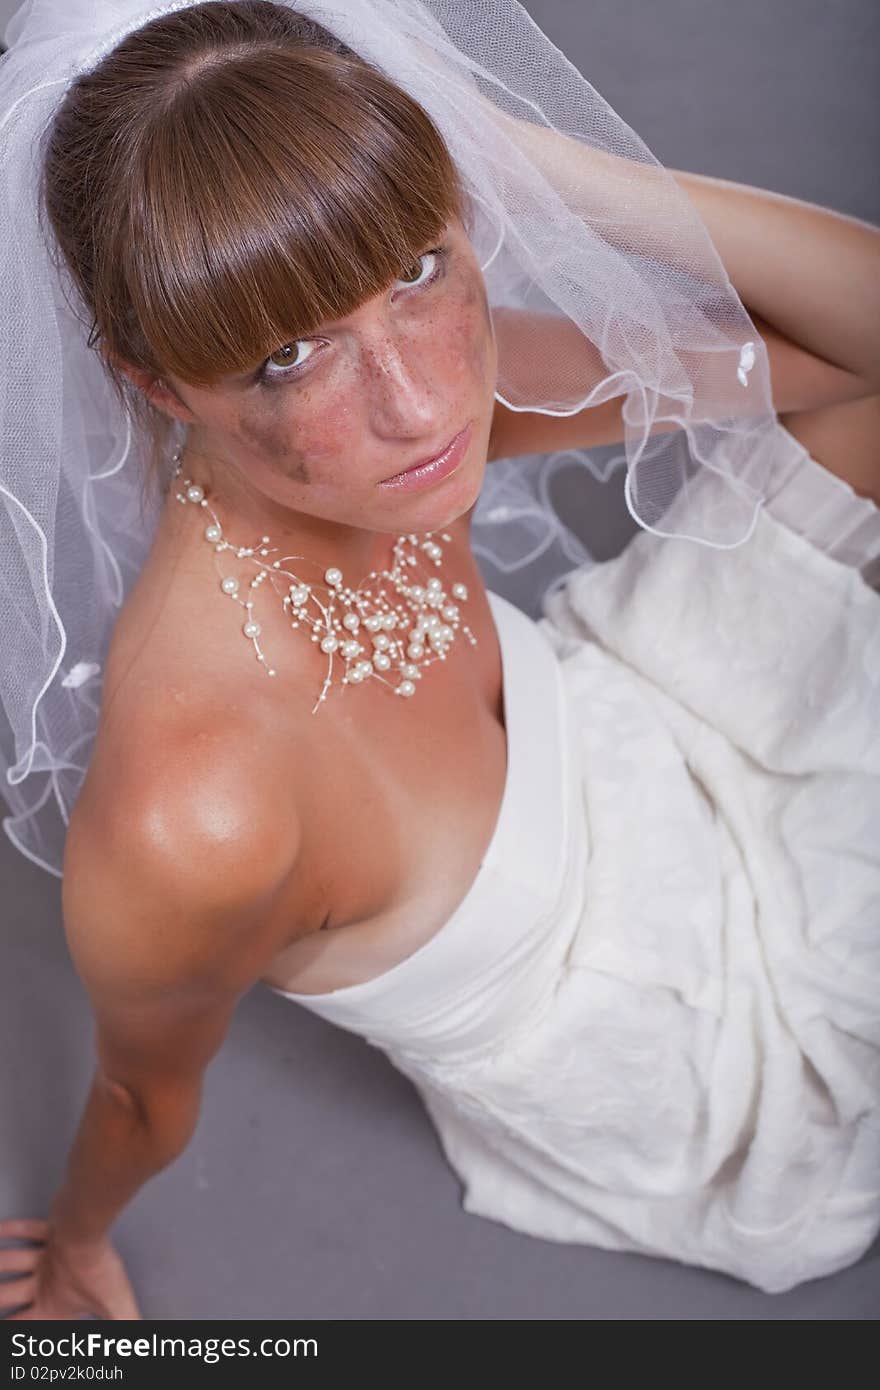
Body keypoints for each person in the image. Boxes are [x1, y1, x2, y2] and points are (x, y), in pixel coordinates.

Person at [1, 0, 878, 1320]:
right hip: (650, 1024)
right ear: (162, 384)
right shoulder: (199, 809)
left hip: (631, 742)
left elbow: (858, 353)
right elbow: (139, 1088)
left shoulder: (416, 417)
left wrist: (543, 164)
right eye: (285, 358)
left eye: (416, 267)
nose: (420, 407)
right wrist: (76, 1243)